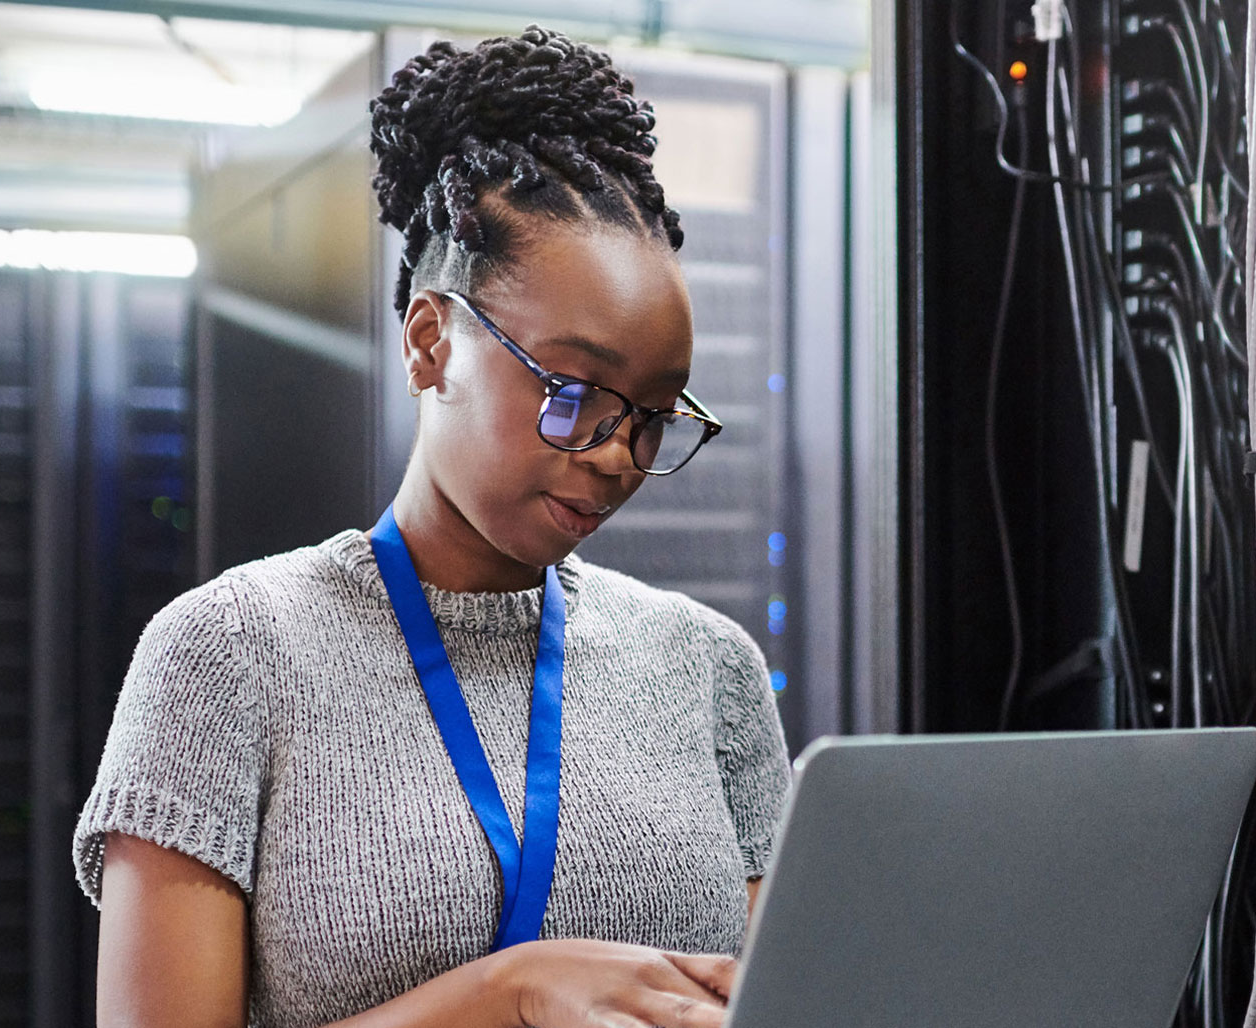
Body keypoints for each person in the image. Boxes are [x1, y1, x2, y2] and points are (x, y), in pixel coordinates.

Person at [74, 27, 791, 1028]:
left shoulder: (709, 671)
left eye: (655, 413)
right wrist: (508, 992)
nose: (617, 454)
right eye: (575, 390)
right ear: (429, 341)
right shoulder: (229, 654)